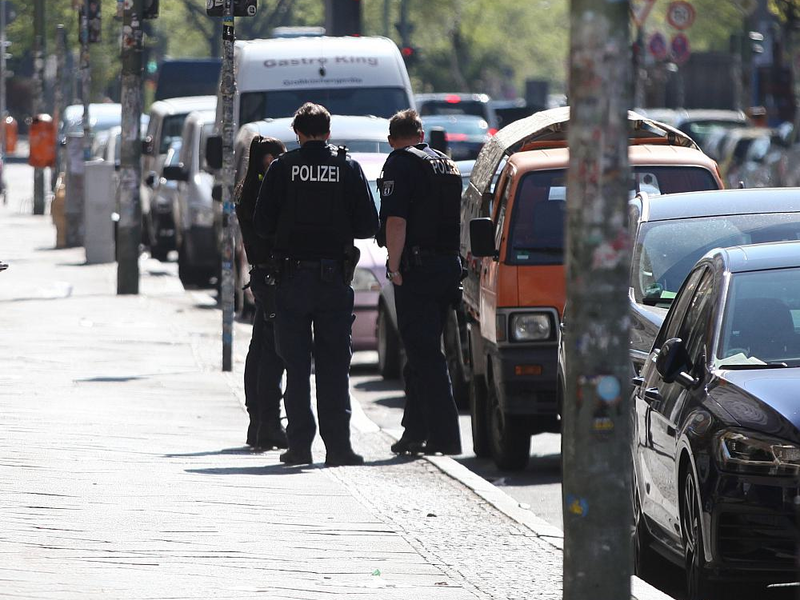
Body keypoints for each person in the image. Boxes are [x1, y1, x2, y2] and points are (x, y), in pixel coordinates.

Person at [254, 103, 378, 466]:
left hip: (291, 280)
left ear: (297, 133)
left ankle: (299, 447)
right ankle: (338, 448)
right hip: (333, 280)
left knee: (296, 367)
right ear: (328, 131)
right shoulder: (347, 167)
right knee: (334, 367)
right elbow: (368, 225)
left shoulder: (282, 168)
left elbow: (262, 225)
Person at [377, 109, 462, 456]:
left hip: (418, 269)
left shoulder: (400, 163)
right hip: (446, 267)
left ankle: (445, 436)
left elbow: (396, 221)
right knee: (419, 352)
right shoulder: (446, 163)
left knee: (425, 355)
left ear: (391, 140)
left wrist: (394, 267)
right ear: (421, 134)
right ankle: (414, 432)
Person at [234, 136, 289, 450]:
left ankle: (259, 421)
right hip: (271, 276)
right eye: (277, 158)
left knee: (260, 349)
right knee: (271, 353)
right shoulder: (261, 192)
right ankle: (267, 422)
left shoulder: (250, 190)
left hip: (262, 276)